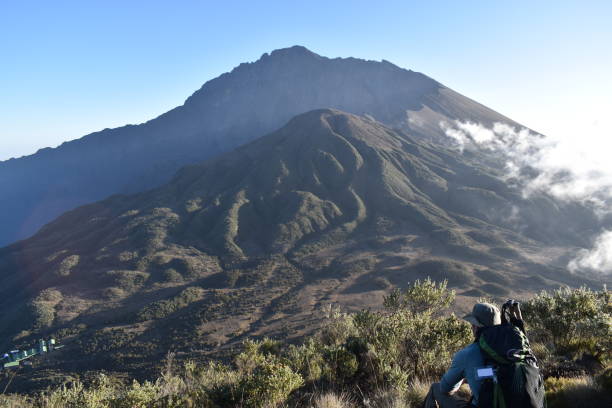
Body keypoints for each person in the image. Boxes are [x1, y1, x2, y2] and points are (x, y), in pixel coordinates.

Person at [423, 302, 501, 408]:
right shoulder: (513, 353)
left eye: (472, 324)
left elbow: (445, 388)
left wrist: (462, 379)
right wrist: (471, 376)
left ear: (476, 327)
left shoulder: (468, 354)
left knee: (435, 388)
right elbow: (497, 371)